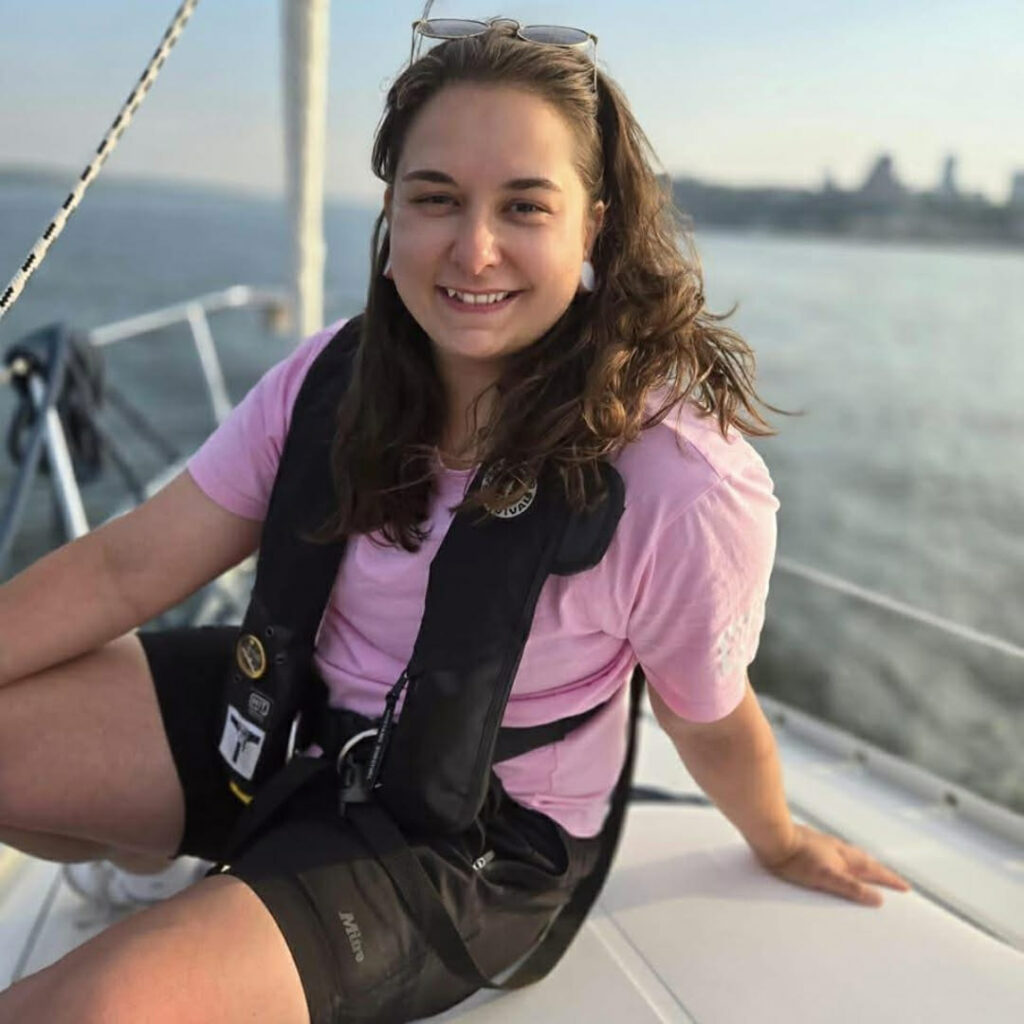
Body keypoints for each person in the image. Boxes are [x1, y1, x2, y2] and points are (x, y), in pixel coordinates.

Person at [0, 18, 911, 1024]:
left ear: (592, 228)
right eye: (435, 198)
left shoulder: (681, 485)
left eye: (524, 206)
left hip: (471, 828)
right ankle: (161, 862)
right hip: (294, 717)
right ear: (391, 209)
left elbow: (709, 715)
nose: (473, 249)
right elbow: (127, 566)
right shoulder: (326, 382)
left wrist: (779, 837)